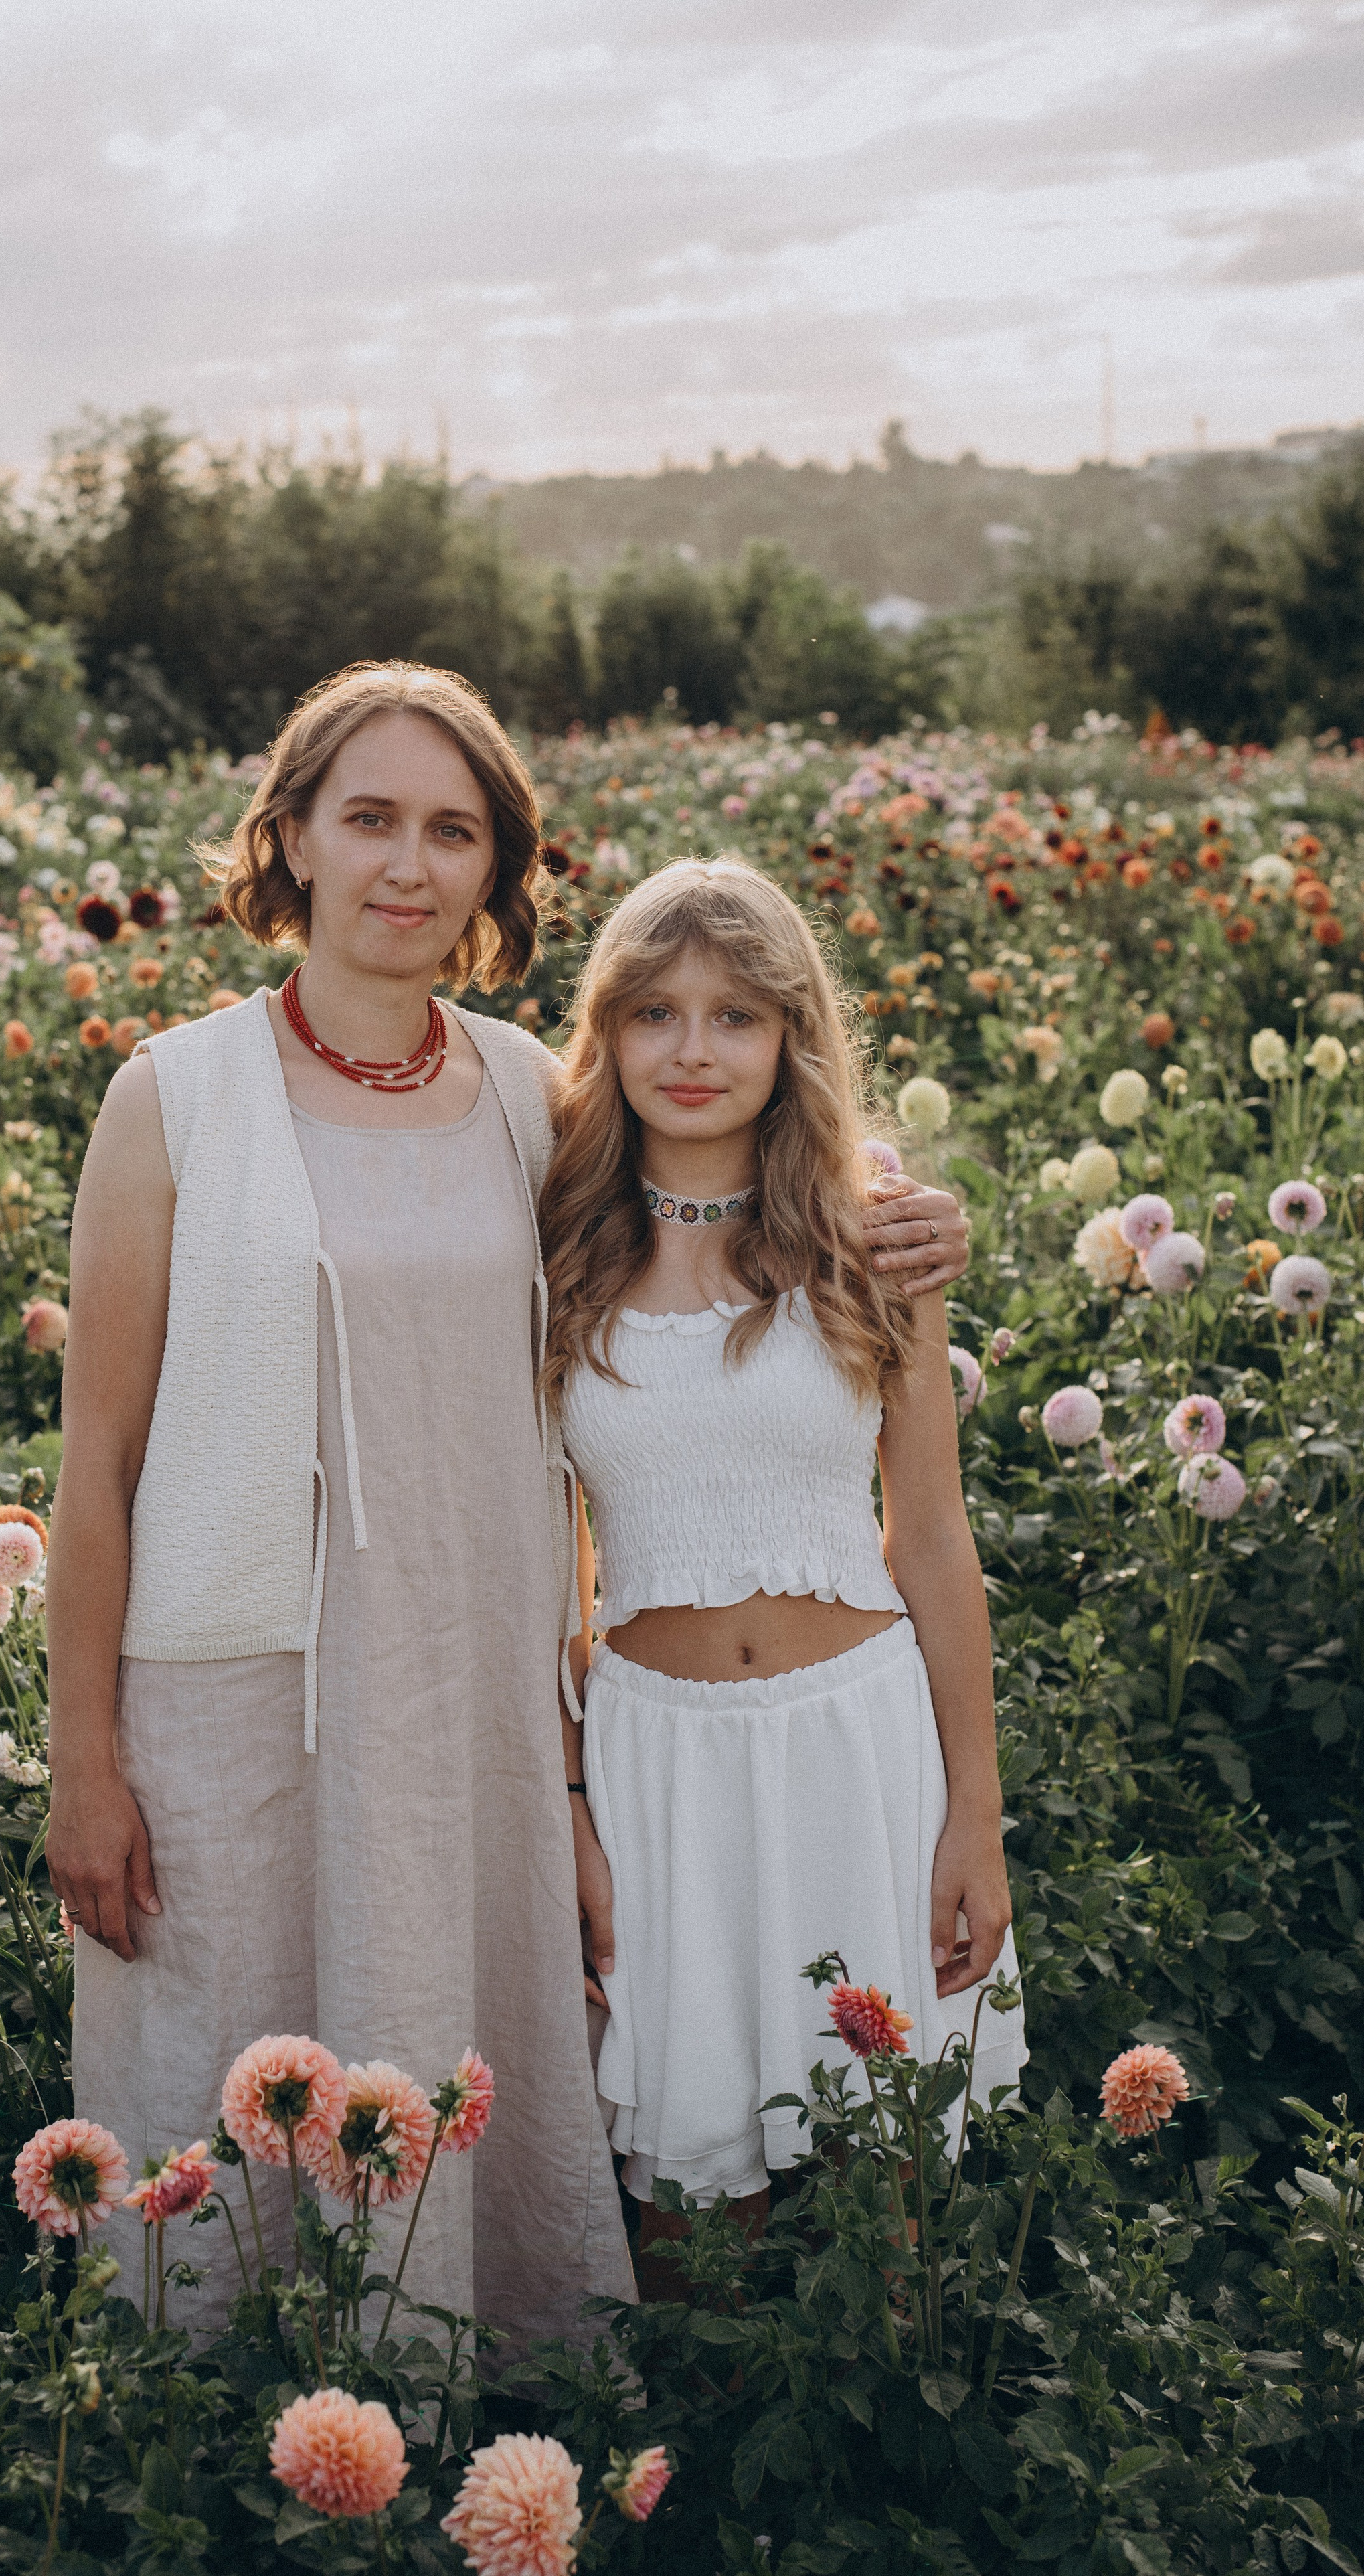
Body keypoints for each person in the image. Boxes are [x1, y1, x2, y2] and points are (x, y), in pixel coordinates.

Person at [44, 662, 972, 2341]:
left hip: (461, 1695)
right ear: (295, 841)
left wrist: (908, 1223)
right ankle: (205, 2423)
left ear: (495, 872)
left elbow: (712, 1202)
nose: (408, 863)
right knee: (221, 2064)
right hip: (229, 1686)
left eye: (451, 830)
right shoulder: (171, 1099)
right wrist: (84, 1762)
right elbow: (93, 1468)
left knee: (439, 2048)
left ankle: (450, 2388)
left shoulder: (517, 1102)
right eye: (371, 819)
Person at [540, 856, 1025, 2278]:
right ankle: (698, 2491)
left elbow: (927, 1535)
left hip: (854, 1749)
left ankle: (873, 2487)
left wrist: (973, 1817)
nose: (691, 1050)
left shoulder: (871, 1244)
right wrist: (566, 1800)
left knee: (883, 2185)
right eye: (653, 1013)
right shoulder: (555, 1254)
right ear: (607, 1033)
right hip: (652, 1768)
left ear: (788, 1037)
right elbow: (537, 1570)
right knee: (692, 2209)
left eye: (735, 1016)